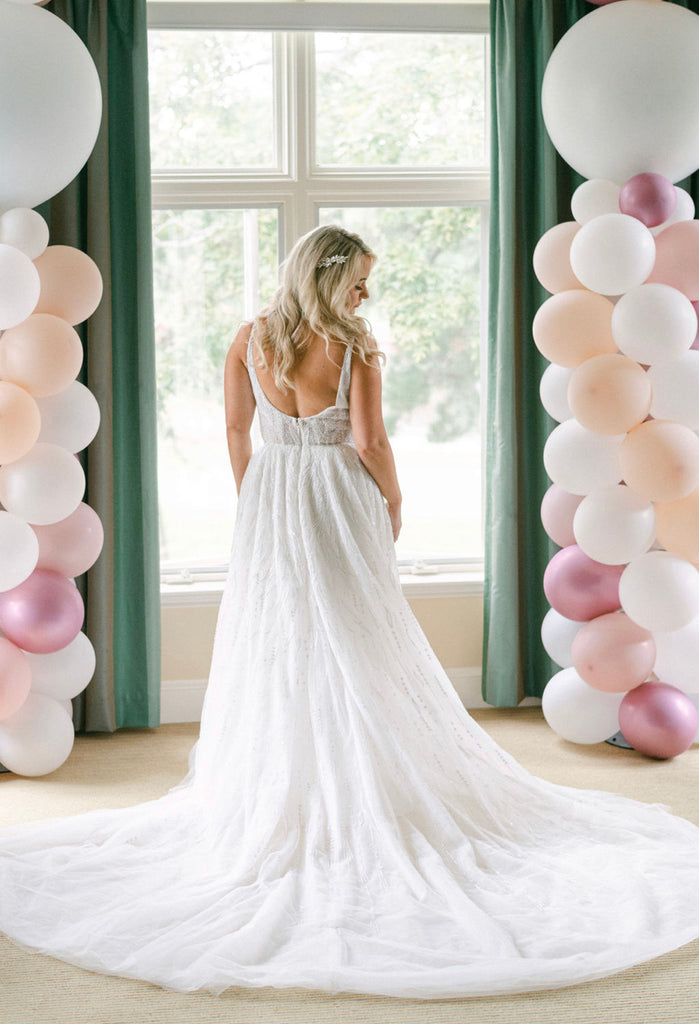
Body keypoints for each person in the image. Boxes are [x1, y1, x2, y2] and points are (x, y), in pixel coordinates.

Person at [0, 224, 698, 1000]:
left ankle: (304, 772)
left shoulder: (250, 338)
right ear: (329, 279)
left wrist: (256, 493)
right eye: (360, 280)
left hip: (273, 491)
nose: (366, 294)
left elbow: (235, 429)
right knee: (362, 633)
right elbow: (370, 440)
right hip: (338, 492)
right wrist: (392, 501)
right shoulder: (355, 343)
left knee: (286, 639)